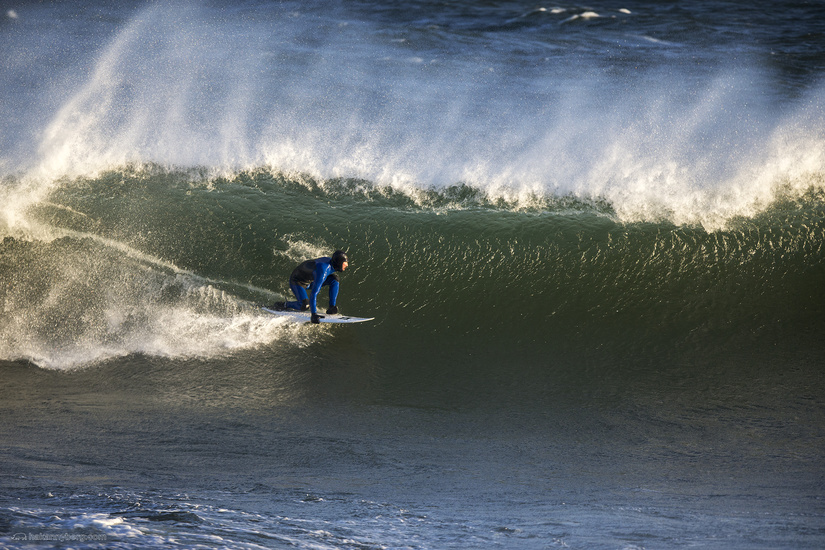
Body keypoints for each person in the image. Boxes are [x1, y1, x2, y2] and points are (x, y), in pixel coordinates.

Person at [272, 250, 349, 324]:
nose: (347, 265)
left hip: (309, 281)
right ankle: (284, 305)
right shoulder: (323, 269)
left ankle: (331, 307)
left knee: (334, 279)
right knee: (305, 305)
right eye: (344, 263)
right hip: (297, 281)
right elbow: (314, 293)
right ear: (339, 263)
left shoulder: (332, 264)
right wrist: (314, 314)